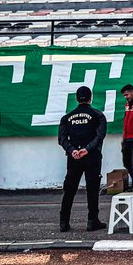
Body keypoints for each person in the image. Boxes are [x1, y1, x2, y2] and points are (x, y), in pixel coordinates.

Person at [57, 85, 107, 232]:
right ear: (91, 98)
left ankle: (64, 222)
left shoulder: (67, 117)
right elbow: (100, 136)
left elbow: (62, 138)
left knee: (69, 190)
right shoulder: (98, 115)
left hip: (74, 158)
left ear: (77, 98)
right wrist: (87, 149)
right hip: (92, 157)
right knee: (92, 189)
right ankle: (92, 221)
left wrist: (73, 150)